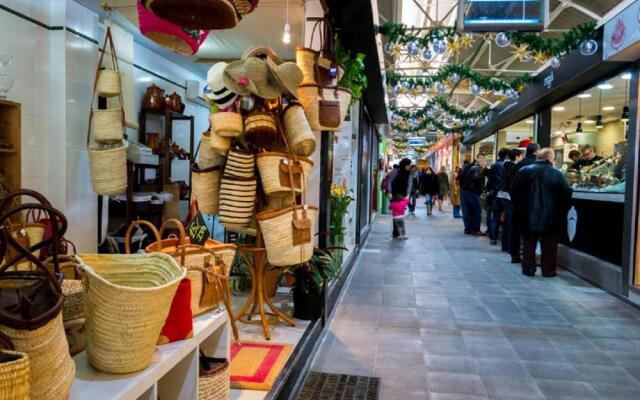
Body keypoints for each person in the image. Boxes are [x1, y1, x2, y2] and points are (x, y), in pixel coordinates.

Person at [511, 148, 572, 277]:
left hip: (528, 215)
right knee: (549, 244)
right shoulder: (556, 173)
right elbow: (566, 193)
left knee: (528, 243)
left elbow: (514, 191)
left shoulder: (524, 171)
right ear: (549, 158)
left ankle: (528, 268)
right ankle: (548, 270)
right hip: (550, 216)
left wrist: (521, 206)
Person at [497, 148, 522, 254]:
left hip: (502, 196)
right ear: (517, 157)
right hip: (509, 197)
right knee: (510, 223)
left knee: (506, 222)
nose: (522, 158)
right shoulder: (515, 168)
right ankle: (509, 246)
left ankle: (505, 245)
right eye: (521, 156)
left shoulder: (504, 166)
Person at [386, 158, 413, 239]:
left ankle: (397, 232)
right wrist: (390, 192)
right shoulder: (395, 172)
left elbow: (409, 184)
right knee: (397, 213)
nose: (409, 167)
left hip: (403, 194)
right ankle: (397, 232)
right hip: (394, 194)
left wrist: (408, 194)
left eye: (409, 165)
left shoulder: (409, 174)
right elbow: (389, 182)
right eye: (408, 165)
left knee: (398, 214)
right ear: (404, 165)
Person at [487, 148, 509, 245]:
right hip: (505, 194)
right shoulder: (507, 166)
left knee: (495, 216)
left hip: (495, 193)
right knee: (506, 216)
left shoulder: (494, 165)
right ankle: (505, 238)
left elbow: (490, 180)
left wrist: (489, 190)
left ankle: (493, 237)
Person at [461, 154, 486, 235]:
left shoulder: (468, 166)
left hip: (465, 191)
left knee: (467, 211)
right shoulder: (477, 168)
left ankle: (468, 229)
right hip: (472, 192)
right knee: (477, 210)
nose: (482, 161)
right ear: (477, 159)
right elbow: (478, 180)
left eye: (483, 159)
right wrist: (481, 191)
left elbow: (461, 177)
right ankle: (475, 229)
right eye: (481, 158)